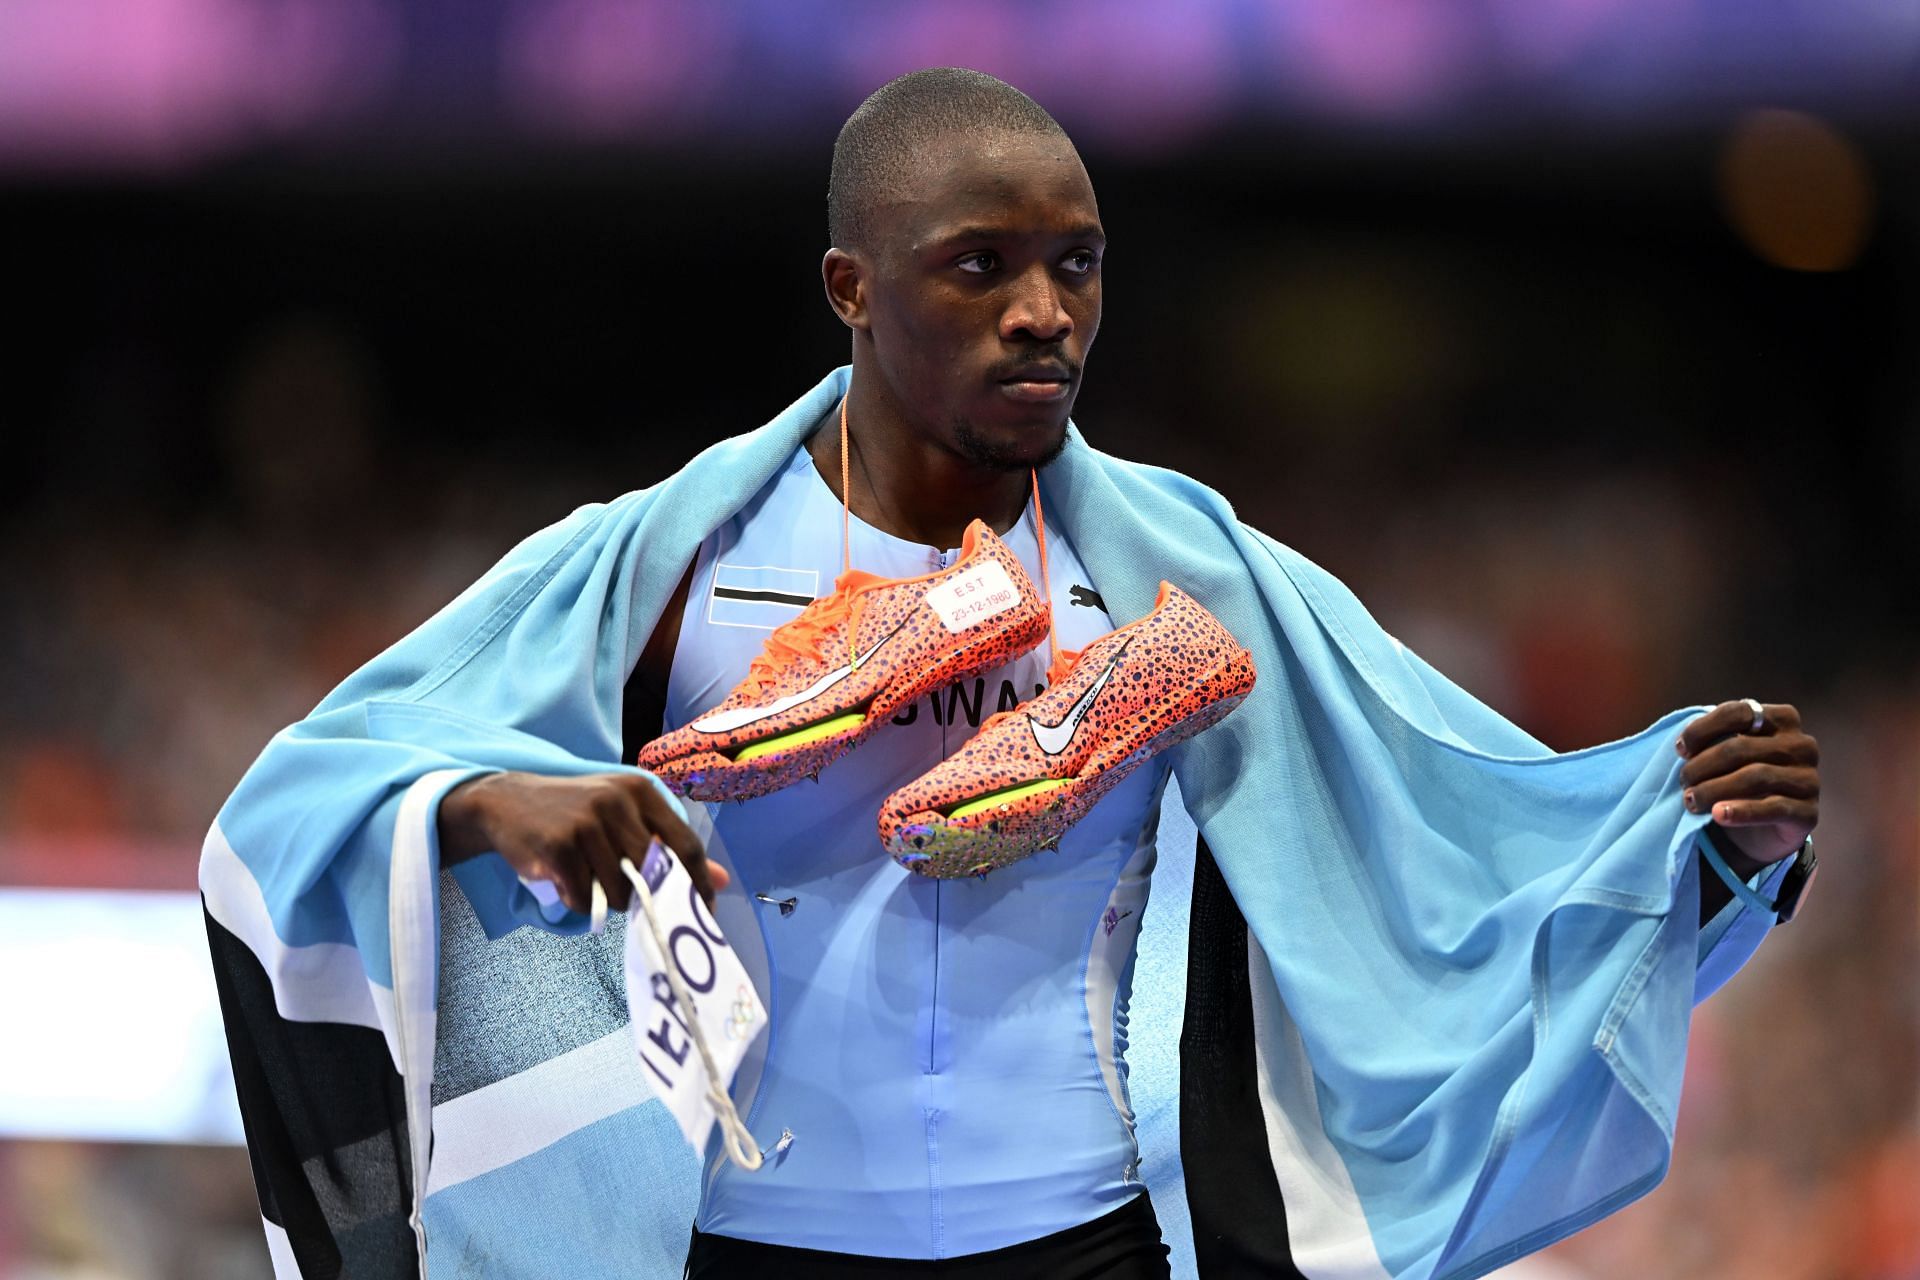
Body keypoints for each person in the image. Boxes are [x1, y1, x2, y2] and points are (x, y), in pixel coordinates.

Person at [203, 69, 1822, 1280]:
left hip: (1092, 1243)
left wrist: (1710, 846)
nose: (1047, 314)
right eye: (981, 267)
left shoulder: (1188, 577)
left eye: (1081, 263)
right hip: (743, 1244)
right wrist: (489, 802)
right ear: (852, 290)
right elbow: (296, 805)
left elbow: (1461, 830)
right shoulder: (661, 566)